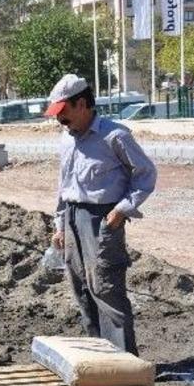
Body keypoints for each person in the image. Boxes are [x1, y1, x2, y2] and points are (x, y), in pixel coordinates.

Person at [45, 74, 157, 355]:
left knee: (106, 292)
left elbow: (145, 175)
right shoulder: (67, 139)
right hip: (72, 218)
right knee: (82, 292)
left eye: (63, 112)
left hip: (101, 220)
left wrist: (122, 210)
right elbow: (65, 185)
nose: (60, 120)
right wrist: (60, 224)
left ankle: (125, 365)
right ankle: (99, 360)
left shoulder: (114, 135)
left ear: (81, 104)